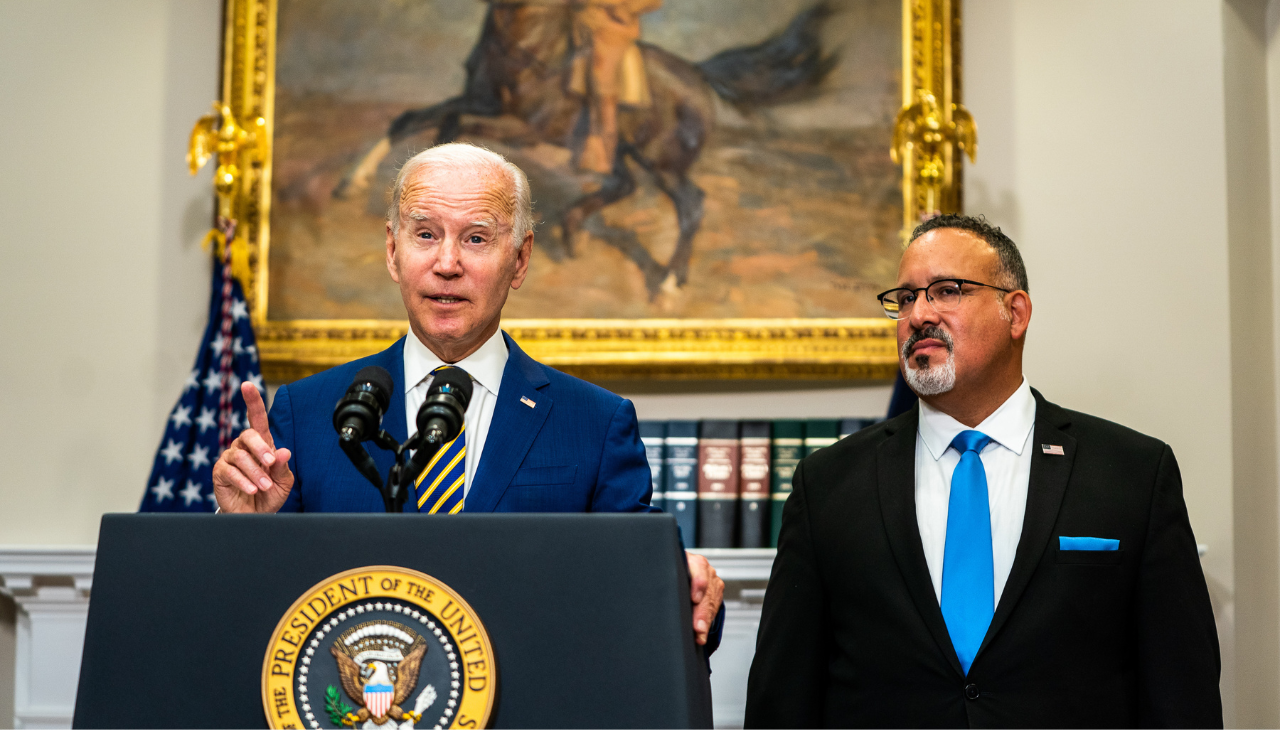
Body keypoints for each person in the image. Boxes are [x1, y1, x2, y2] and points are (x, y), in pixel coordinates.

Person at [211, 142, 723, 647]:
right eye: (426, 234)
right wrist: (241, 534)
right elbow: (250, 617)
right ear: (393, 251)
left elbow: (650, 597)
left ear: (519, 261)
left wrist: (686, 583)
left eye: (476, 238)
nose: (447, 263)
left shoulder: (594, 423)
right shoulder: (309, 414)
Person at [745, 214, 1221, 727]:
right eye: (905, 298)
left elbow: (1182, 696)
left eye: (946, 291)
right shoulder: (829, 484)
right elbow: (782, 698)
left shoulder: (1132, 474)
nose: (918, 314)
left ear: (1015, 313)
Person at [568, 0, 663, 173]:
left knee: (604, 97)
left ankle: (602, 158)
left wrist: (618, 8)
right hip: (585, 27)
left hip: (612, 33)